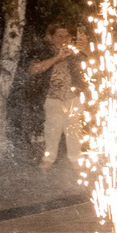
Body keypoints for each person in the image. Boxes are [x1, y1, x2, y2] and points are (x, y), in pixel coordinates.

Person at [31, 25, 86, 167]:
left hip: (72, 97)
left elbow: (93, 61)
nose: (63, 39)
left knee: (74, 129)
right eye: (59, 36)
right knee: (52, 129)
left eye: (67, 36)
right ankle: (49, 159)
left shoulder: (75, 53)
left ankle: (75, 159)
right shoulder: (44, 52)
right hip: (52, 98)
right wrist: (57, 57)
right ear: (51, 37)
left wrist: (84, 48)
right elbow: (34, 69)